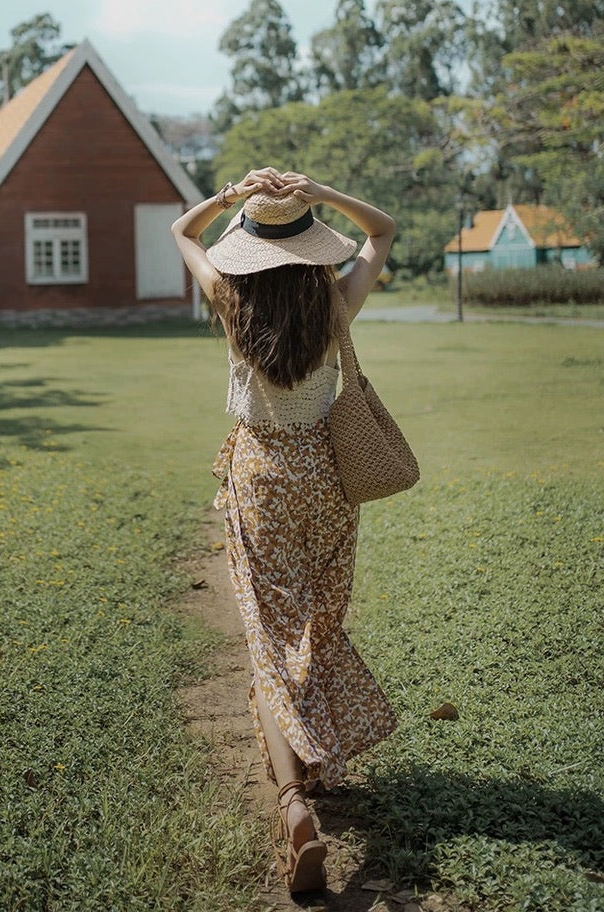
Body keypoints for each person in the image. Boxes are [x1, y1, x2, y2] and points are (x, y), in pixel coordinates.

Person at [171, 167, 398, 894]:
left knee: (268, 640)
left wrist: (233, 196)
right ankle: (315, 753)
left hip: (261, 479)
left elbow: (181, 230)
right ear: (310, 247)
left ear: (249, 249)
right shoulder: (335, 305)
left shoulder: (229, 301)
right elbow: (383, 229)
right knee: (316, 624)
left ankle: (293, 801)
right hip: (329, 478)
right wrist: (320, 192)